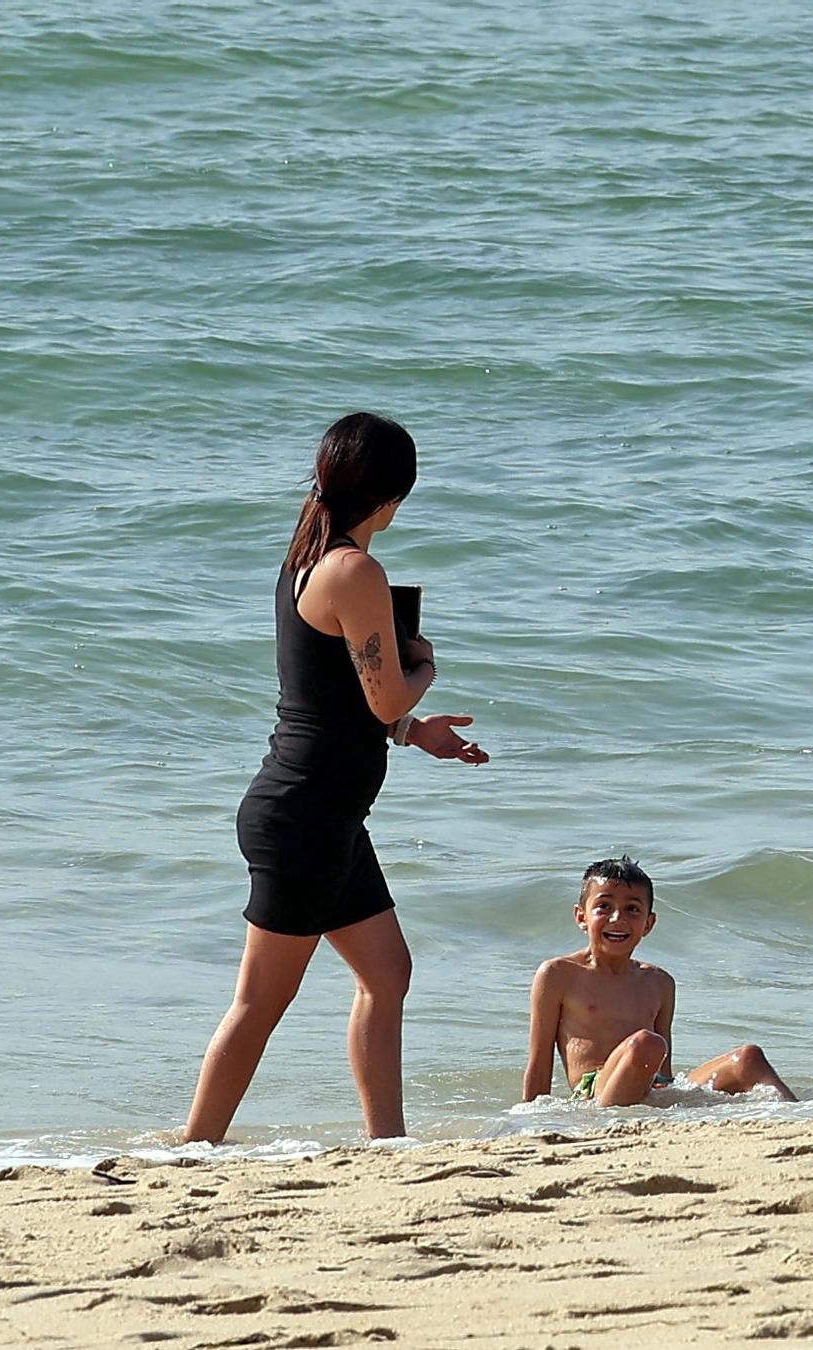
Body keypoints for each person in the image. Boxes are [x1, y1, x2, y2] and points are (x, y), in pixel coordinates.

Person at [184, 413, 490, 1144]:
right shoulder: (354, 570)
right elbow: (384, 692)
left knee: (387, 974)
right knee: (261, 1001)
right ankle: (194, 1147)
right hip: (305, 815)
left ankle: (388, 1142)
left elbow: (338, 704)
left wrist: (417, 733)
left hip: (324, 813)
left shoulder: (307, 558)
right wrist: (425, 664)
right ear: (393, 496)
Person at [523, 855, 797, 1106]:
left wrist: (670, 1096)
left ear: (648, 924)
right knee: (646, 1044)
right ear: (581, 917)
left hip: (652, 1086)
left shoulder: (659, 982)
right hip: (595, 1093)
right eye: (604, 906)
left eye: (632, 909)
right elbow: (539, 1062)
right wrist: (527, 1121)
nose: (617, 919)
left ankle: (796, 1119)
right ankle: (609, 1115)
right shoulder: (558, 975)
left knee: (748, 1058)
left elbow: (663, 1069)